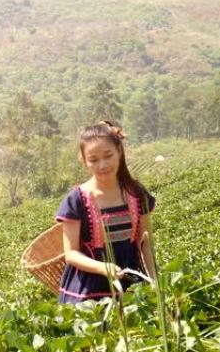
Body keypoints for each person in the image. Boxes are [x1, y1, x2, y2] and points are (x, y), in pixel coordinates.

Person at [55, 121, 157, 304]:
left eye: (108, 155)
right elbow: (71, 254)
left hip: (131, 284)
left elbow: (146, 244)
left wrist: (155, 281)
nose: (102, 165)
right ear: (84, 161)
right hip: (88, 292)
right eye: (93, 159)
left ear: (119, 151)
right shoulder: (76, 200)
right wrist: (103, 268)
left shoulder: (137, 194)